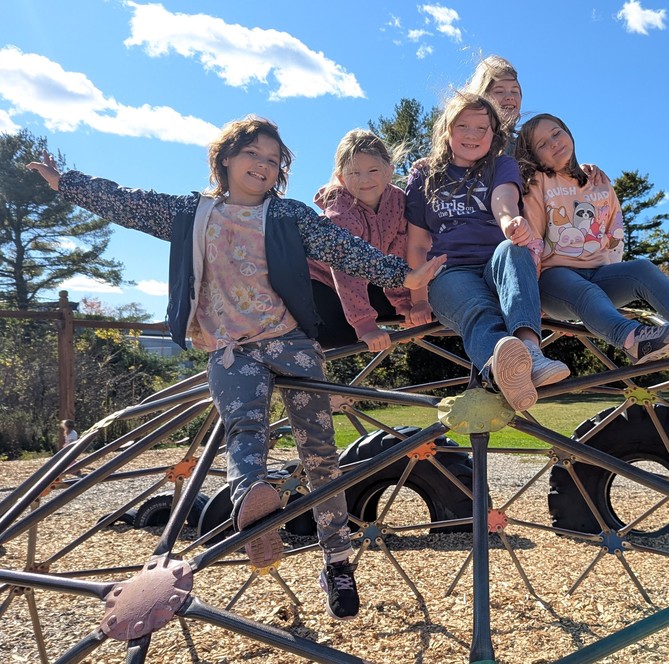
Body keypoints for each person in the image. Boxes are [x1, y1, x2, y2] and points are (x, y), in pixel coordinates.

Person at [27, 116, 446, 621]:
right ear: (225, 158)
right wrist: (67, 183)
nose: (263, 166)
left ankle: (337, 560)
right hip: (231, 347)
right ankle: (254, 507)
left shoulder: (286, 214)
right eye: (253, 154)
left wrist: (404, 275)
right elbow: (130, 203)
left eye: (273, 160)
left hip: (289, 341)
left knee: (320, 451)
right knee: (245, 427)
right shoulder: (192, 213)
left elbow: (343, 248)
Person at [515, 113, 669, 363]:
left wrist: (609, 292)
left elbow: (614, 233)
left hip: (599, 274)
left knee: (642, 268)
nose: (554, 143)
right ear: (533, 156)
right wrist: (531, 302)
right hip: (554, 279)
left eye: (556, 133)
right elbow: (533, 241)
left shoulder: (598, 182)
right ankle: (632, 339)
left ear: (568, 132)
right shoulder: (538, 183)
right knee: (584, 290)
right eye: (542, 144)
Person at [405, 92, 569, 412]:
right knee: (478, 309)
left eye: (482, 128)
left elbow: (503, 200)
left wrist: (510, 223)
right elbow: (418, 242)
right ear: (447, 130)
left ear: (494, 134)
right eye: (463, 125)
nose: (472, 134)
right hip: (449, 271)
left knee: (513, 248)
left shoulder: (500, 165)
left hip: (495, 265)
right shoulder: (424, 174)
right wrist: (419, 299)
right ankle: (504, 370)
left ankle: (530, 352)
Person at [308, 129, 415, 351]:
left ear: (389, 171)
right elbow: (346, 268)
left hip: (369, 276)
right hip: (318, 278)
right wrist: (365, 325)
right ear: (341, 178)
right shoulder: (341, 209)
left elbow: (398, 252)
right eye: (354, 173)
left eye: (373, 170)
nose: (364, 180)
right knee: (340, 335)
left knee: (424, 305)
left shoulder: (397, 201)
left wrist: (403, 305)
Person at [462, 55, 609, 184]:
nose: (510, 97)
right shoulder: (466, 138)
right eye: (499, 91)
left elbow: (552, 169)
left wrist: (578, 173)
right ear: (482, 96)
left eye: (515, 91)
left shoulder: (522, 145)